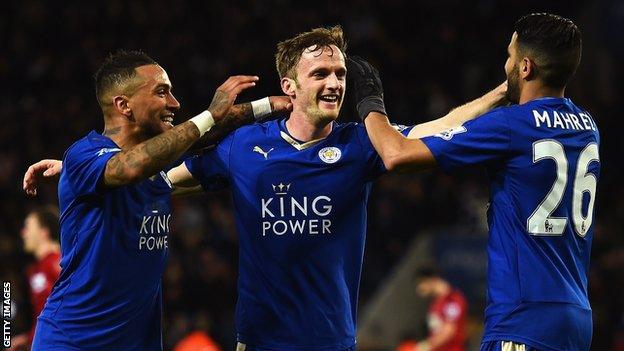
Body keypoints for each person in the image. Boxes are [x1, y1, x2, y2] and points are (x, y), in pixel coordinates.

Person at [24, 28, 506, 350]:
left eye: (340, 73)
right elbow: (149, 174)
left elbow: (438, 127)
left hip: (331, 341)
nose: (336, 82)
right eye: (321, 73)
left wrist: (502, 93)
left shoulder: (359, 145)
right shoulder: (242, 148)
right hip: (256, 341)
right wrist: (79, 170)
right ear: (290, 86)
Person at [350, 13, 599, 351]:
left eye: (510, 57)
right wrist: (509, 90)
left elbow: (397, 154)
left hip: (522, 322)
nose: (505, 64)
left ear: (525, 67)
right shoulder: (587, 128)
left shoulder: (510, 126)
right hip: (576, 320)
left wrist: (370, 104)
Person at [28, 49, 290, 351]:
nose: (174, 103)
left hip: (139, 342)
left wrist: (268, 105)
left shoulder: (156, 163)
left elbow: (194, 137)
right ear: (123, 105)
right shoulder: (84, 155)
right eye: (161, 92)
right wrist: (209, 114)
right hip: (73, 341)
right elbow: (130, 167)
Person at [8, 206, 62, 351]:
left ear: (44, 232)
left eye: (28, 227)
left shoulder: (59, 263)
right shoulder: (34, 270)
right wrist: (28, 339)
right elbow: (43, 314)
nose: (23, 233)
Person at [397, 267, 467, 351]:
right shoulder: (435, 303)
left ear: (431, 280)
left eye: (420, 283)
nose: (419, 289)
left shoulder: (453, 299)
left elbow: (448, 331)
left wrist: (424, 347)